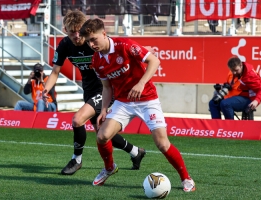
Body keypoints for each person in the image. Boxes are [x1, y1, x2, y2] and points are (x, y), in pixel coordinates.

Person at [79, 18, 195, 192]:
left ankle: (186, 178)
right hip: (123, 102)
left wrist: (140, 84)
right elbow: (107, 87)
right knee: (102, 136)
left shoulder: (124, 45)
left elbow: (154, 61)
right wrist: (103, 110)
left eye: (94, 39)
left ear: (104, 33)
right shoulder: (96, 61)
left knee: (162, 144)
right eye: (88, 41)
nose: (91, 44)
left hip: (147, 99)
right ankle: (109, 168)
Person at [42, 10, 146, 175]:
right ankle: (136, 152)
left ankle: (76, 159)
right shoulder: (64, 45)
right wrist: (46, 89)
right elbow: (55, 72)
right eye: (72, 32)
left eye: (79, 31)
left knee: (77, 120)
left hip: (105, 89)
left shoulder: (94, 43)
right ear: (65, 30)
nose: (76, 35)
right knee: (102, 133)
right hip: (89, 90)